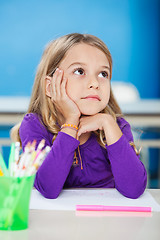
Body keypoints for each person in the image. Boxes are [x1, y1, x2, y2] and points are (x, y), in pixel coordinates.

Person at [11, 33, 147, 199]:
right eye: (80, 71)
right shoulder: (35, 125)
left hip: (106, 221)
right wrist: (71, 121)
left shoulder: (116, 126)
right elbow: (48, 188)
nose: (95, 83)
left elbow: (134, 189)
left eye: (103, 74)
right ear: (50, 86)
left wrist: (107, 122)